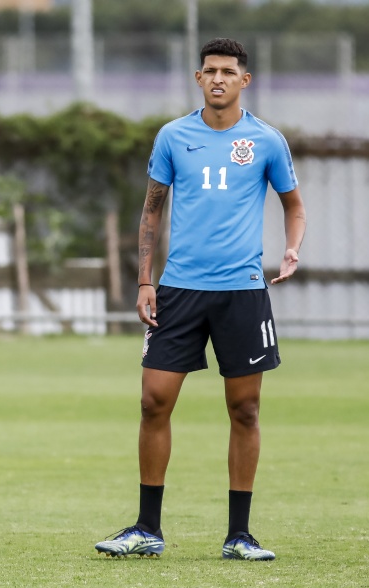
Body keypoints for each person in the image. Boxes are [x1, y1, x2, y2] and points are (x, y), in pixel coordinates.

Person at [95, 38, 307, 561]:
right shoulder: (173, 136)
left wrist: (292, 249)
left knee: (245, 409)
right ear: (198, 78)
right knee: (153, 402)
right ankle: (147, 528)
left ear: (244, 81)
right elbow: (150, 213)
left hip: (242, 293)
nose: (218, 79)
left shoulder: (266, 141)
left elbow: (294, 206)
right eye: (209, 71)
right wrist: (146, 281)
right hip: (179, 291)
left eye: (228, 71)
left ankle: (239, 535)